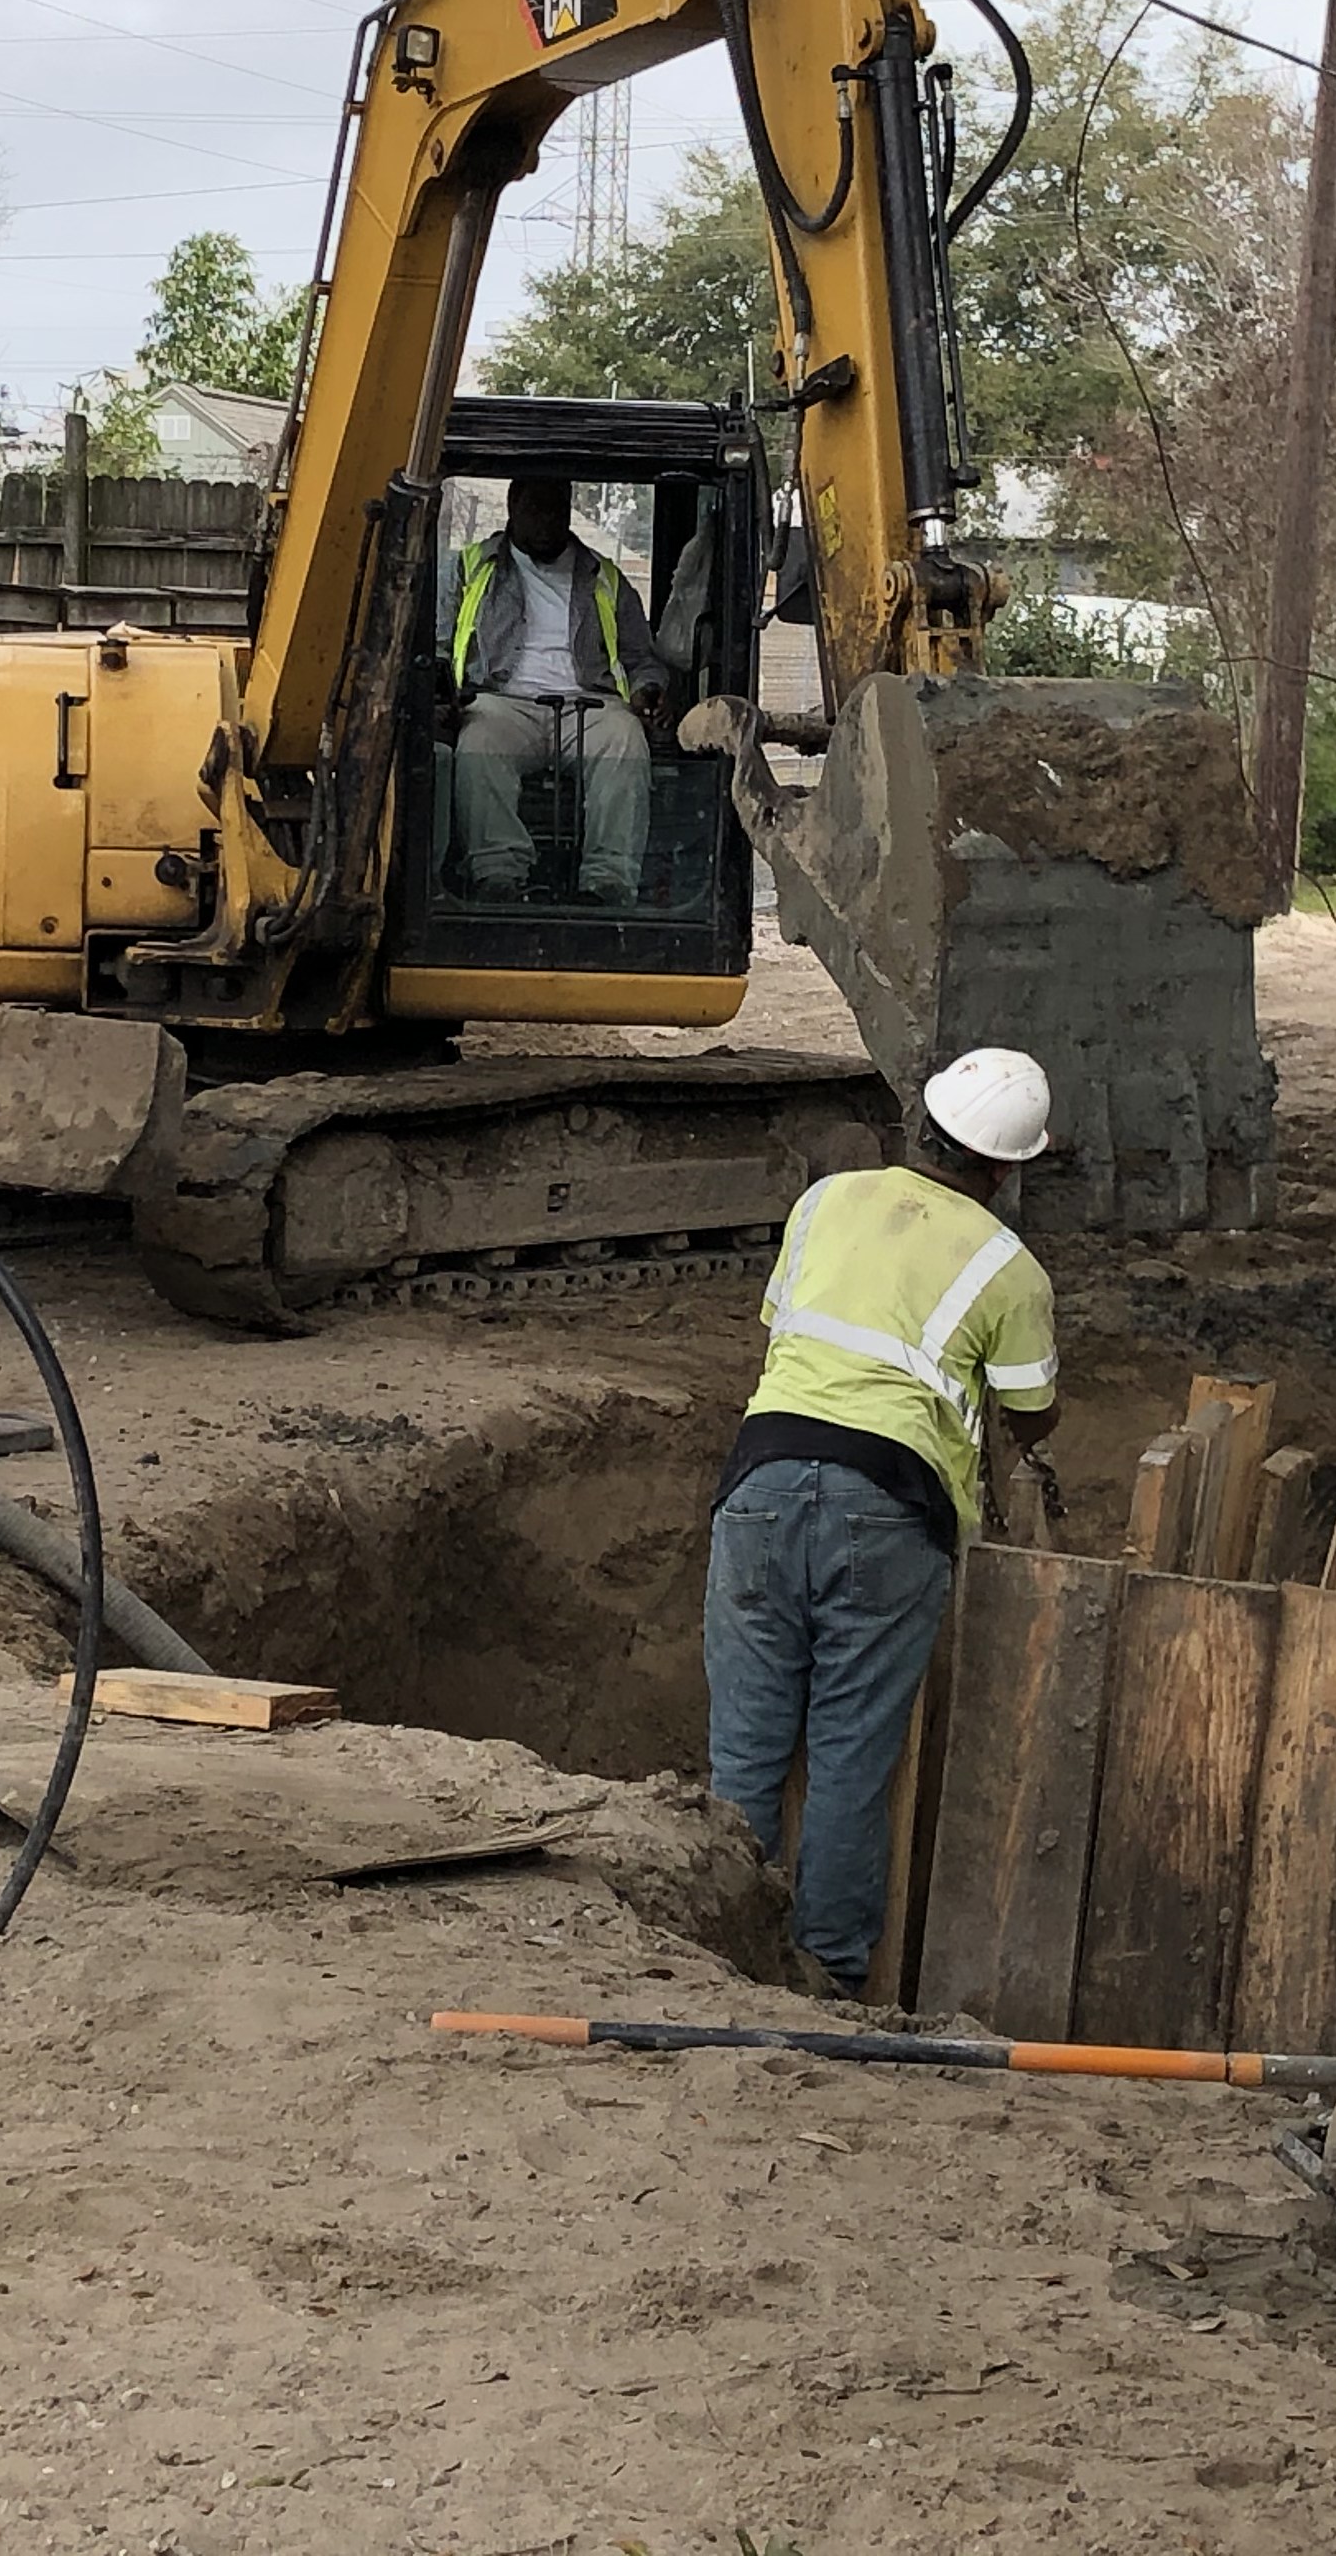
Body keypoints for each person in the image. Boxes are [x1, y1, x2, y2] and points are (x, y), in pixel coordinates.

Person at [704, 1045, 1062, 1991]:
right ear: (1007, 1168)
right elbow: (1032, 1414)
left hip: (762, 1483)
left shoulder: (825, 1202)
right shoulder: (1010, 1269)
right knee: (852, 1756)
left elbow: (784, 1324)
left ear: (923, 1125)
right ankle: (828, 1974)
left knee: (745, 1746)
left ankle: (714, 1961)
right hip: (890, 1510)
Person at [445, 474, 667, 904]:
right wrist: (441, 693)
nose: (547, 522)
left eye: (557, 510)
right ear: (512, 508)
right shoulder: (471, 567)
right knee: (478, 741)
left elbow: (642, 658)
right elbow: (437, 643)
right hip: (502, 702)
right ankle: (499, 878)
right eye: (535, 510)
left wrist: (647, 689)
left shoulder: (605, 577)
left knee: (625, 738)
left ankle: (607, 884)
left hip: (591, 704)